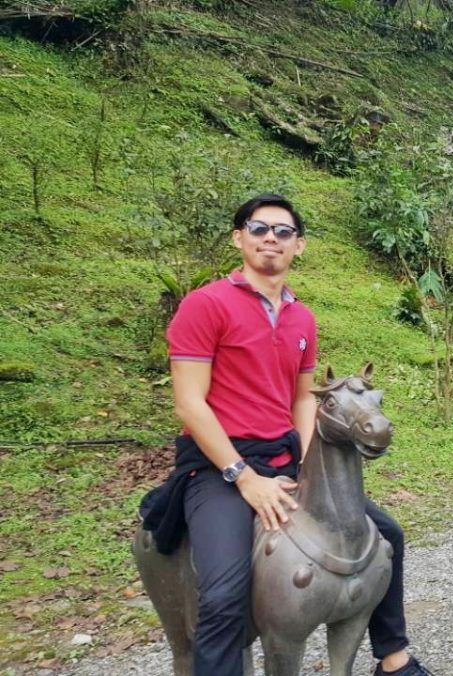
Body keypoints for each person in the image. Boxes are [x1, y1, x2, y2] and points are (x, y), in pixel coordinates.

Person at [139, 194, 430, 676]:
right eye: (258, 228)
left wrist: (303, 464)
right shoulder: (205, 304)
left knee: (388, 537)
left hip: (283, 455)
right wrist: (244, 478)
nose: (270, 238)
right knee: (223, 592)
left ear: (299, 246)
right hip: (217, 466)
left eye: (283, 231)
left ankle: (393, 658)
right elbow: (189, 402)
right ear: (239, 238)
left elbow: (301, 399)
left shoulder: (302, 318)